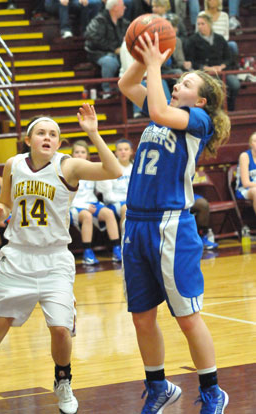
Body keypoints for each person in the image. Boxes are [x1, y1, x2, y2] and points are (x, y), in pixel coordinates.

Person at [0, 104, 122, 414]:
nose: (47, 137)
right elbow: (8, 204)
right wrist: (0, 212)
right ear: (29, 139)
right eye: (41, 133)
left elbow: (114, 170)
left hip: (54, 260)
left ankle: (63, 380)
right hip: (17, 259)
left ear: (59, 142)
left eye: (54, 134)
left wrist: (92, 132)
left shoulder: (69, 167)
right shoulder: (12, 164)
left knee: (61, 328)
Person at [118, 29, 230, 413]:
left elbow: (158, 112)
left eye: (184, 82)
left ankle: (213, 390)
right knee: (142, 317)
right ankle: (159, 386)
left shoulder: (198, 119)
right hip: (136, 223)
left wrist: (154, 65)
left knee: (186, 317)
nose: (176, 83)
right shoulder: (164, 107)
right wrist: (144, 53)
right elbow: (125, 82)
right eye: (177, 80)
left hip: (171, 226)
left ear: (199, 99)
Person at [70, 140, 122, 265]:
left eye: (82, 152)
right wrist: (85, 207)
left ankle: (116, 249)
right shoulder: (69, 170)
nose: (79, 154)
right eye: (76, 152)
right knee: (87, 216)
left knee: (108, 213)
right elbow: (67, 197)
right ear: (72, 154)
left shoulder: (90, 168)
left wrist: (104, 175)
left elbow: (102, 189)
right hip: (74, 206)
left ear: (87, 155)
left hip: (92, 202)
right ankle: (87, 252)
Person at [186, 12, 241, 111]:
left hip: (221, 71)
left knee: (234, 84)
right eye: (198, 24)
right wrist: (206, 68)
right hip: (204, 72)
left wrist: (221, 66)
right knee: (211, 88)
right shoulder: (192, 40)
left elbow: (229, 58)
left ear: (210, 24)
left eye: (203, 24)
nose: (200, 26)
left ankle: (230, 109)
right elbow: (191, 61)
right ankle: (214, 111)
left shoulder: (220, 39)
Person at [84, 0, 129, 99]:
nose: (125, 8)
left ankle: (127, 90)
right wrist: (113, 49)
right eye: (122, 6)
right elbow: (92, 37)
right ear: (115, 8)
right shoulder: (99, 20)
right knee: (110, 62)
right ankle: (107, 91)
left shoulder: (124, 23)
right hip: (99, 53)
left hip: (118, 53)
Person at [119, 39, 171, 118]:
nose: (177, 87)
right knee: (143, 83)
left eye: (186, 85)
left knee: (162, 82)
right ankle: (138, 112)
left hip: (148, 75)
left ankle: (168, 109)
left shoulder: (192, 117)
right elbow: (128, 69)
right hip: (131, 76)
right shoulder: (127, 45)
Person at [97, 138, 133, 230]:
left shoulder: (135, 168)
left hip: (132, 202)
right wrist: (127, 201)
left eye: (126, 149)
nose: (123, 152)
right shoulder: (110, 167)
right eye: (120, 150)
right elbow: (108, 197)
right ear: (116, 153)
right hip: (113, 203)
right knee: (126, 209)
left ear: (131, 152)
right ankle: (124, 241)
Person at [235, 131, 256, 214]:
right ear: (251, 144)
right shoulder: (245, 156)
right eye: (255, 141)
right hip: (245, 189)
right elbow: (246, 183)